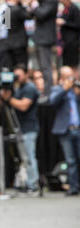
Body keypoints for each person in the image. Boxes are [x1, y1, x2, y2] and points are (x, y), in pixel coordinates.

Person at [0, 64, 40, 194]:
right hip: (20, 127)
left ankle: (33, 185)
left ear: (27, 74)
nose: (17, 78)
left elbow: (23, 106)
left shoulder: (30, 87)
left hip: (29, 127)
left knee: (29, 156)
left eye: (19, 75)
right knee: (25, 157)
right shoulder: (18, 87)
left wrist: (9, 98)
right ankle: (28, 182)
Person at [49, 67, 80, 196]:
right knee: (71, 161)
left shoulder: (76, 89)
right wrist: (64, 88)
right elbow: (52, 101)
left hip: (78, 128)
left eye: (71, 77)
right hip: (65, 130)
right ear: (61, 78)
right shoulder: (57, 89)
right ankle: (73, 187)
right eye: (67, 77)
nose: (70, 80)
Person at [30, 0, 58, 97]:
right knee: (42, 67)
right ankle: (45, 92)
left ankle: (48, 92)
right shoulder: (6, 8)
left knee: (46, 67)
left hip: (43, 39)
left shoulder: (7, 9)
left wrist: (33, 5)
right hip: (7, 43)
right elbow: (6, 25)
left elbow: (39, 14)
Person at [57, 0, 80, 78]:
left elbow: (77, 24)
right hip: (66, 42)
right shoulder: (65, 9)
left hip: (73, 43)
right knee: (67, 65)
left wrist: (64, 23)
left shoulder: (74, 8)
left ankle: (75, 84)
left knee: (73, 65)